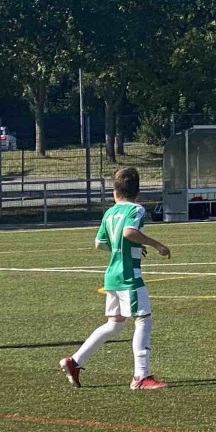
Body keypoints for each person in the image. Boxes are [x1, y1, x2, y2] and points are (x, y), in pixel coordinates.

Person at [60, 166, 172, 389]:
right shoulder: (136, 209)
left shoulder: (109, 213)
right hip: (128, 275)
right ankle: (141, 377)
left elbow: (99, 243)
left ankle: (74, 361)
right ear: (137, 191)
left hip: (112, 275)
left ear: (115, 191)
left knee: (115, 324)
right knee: (143, 319)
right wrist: (157, 245)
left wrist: (125, 248)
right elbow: (129, 232)